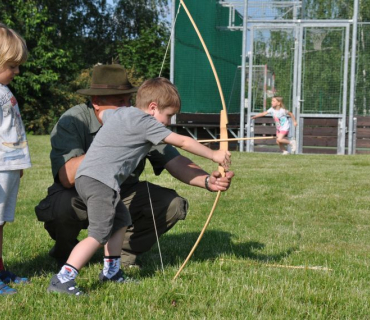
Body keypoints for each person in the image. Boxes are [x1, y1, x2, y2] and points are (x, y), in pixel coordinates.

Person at [35, 64, 234, 270]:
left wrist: (209, 181)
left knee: (170, 204)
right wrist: (112, 145)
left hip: (122, 191)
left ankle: (120, 258)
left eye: (130, 99)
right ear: (96, 102)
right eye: (120, 101)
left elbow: (175, 160)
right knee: (62, 206)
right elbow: (67, 177)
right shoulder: (74, 119)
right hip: (81, 190)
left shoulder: (135, 119)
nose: (128, 106)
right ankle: (67, 261)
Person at [0, 24, 32, 295]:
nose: (17, 71)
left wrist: (17, 164)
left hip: (7, 168)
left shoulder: (4, 90)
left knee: (1, 221)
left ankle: (0, 269)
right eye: (12, 66)